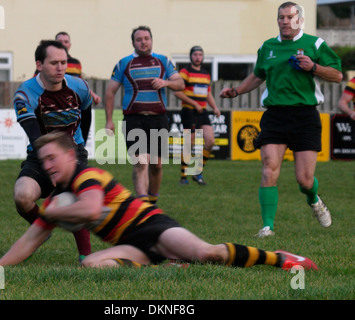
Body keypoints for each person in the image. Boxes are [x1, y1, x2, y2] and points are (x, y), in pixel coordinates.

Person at [0, 131, 318, 272]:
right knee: (91, 264)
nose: (46, 165)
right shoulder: (59, 199)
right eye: (42, 160)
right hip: (131, 244)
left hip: (152, 225)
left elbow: (92, 209)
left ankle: (282, 259)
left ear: (69, 156)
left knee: (208, 254)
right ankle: (169, 263)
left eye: (52, 158)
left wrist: (52, 211)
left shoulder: (86, 175)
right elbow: (30, 239)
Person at [219, 2, 342, 237]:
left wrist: (313, 66)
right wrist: (236, 91)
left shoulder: (315, 44)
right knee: (269, 169)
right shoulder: (268, 47)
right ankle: (267, 227)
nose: (284, 21)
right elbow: (257, 76)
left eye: (289, 17)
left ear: (300, 20)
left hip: (305, 115)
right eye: (281, 17)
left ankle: (314, 200)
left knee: (304, 180)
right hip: (275, 115)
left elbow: (337, 75)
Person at [12, 40, 93, 258]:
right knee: (22, 196)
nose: (60, 68)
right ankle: (42, 228)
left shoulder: (79, 86)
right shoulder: (25, 94)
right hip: (40, 154)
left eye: (64, 62)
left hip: (71, 153)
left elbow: (86, 114)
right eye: (54, 63)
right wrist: (51, 168)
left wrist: (80, 146)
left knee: (71, 198)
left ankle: (85, 256)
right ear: (39, 65)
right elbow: (35, 136)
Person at [105, 25, 185, 204]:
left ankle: (152, 202)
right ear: (133, 42)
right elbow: (110, 92)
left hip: (159, 119)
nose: (143, 42)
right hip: (134, 119)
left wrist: (165, 82)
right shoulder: (124, 63)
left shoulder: (163, 61)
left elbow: (180, 84)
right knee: (141, 162)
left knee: (156, 165)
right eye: (139, 39)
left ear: (151, 40)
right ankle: (143, 205)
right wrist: (109, 120)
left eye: (146, 38)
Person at [35, 32, 101, 143]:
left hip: (73, 102)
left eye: (66, 41)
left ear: (70, 44)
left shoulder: (76, 63)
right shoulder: (46, 61)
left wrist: (92, 94)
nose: (63, 44)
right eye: (60, 42)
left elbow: (79, 82)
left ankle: (79, 148)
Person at [174, 46, 220, 185]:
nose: (198, 57)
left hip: (202, 111)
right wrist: (194, 103)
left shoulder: (206, 74)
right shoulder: (185, 72)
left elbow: (208, 93)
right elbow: (177, 92)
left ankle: (197, 172)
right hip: (189, 111)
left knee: (210, 141)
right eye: (195, 54)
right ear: (191, 56)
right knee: (190, 142)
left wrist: (215, 107)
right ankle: (183, 176)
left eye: (200, 54)